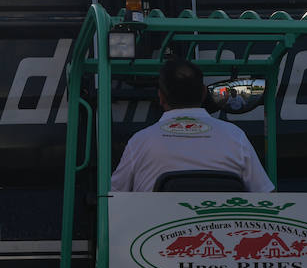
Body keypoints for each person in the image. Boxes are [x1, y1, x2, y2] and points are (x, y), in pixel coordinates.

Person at [110, 58, 275, 193]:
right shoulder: (235, 137)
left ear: (160, 97)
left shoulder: (140, 142)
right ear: (204, 93)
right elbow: (267, 195)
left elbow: (113, 199)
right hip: (224, 232)